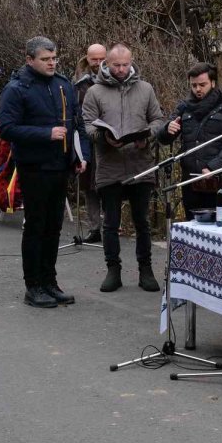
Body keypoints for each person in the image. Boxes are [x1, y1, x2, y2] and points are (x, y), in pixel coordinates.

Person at [0, 36, 89, 308]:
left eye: (54, 58)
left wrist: (80, 155)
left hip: (61, 165)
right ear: (30, 60)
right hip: (34, 166)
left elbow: (77, 122)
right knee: (36, 227)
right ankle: (33, 285)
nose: (51, 63)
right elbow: (7, 128)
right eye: (45, 59)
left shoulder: (63, 84)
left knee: (54, 227)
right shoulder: (17, 89)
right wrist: (44, 134)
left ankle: (50, 281)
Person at [81, 43, 167, 293]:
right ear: (106, 63)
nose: (120, 69)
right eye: (115, 65)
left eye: (125, 64)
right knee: (110, 222)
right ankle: (113, 270)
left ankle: (146, 270)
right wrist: (103, 137)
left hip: (141, 164)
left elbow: (158, 120)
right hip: (110, 166)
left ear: (131, 62)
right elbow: (86, 126)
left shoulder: (145, 88)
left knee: (142, 221)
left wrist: (147, 136)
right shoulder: (94, 92)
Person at [161, 62, 222, 217]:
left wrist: (213, 166)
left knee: (218, 229)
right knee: (192, 227)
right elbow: (164, 138)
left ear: (213, 83)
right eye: (194, 85)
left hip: (217, 181)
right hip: (190, 181)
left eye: (202, 84)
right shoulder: (184, 108)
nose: (198, 89)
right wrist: (167, 129)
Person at [72, 43, 107, 243]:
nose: (98, 63)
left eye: (102, 59)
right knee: (88, 187)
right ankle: (94, 228)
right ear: (87, 59)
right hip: (86, 141)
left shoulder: (114, 80)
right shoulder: (79, 84)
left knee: (108, 185)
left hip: (108, 142)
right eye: (94, 59)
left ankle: (111, 225)